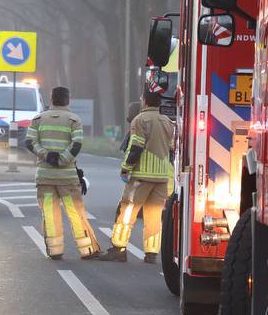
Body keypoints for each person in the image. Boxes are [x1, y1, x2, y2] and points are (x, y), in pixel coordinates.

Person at [26, 86, 100, 260]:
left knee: (50, 215)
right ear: (68, 100)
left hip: (45, 177)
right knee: (76, 213)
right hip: (67, 177)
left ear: (51, 99)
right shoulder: (74, 120)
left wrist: (46, 155)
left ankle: (55, 250)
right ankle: (87, 250)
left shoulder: (38, 119)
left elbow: (29, 142)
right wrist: (63, 160)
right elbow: (77, 144)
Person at [102, 89, 176, 263]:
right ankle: (151, 253)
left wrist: (126, 168)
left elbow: (136, 146)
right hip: (161, 177)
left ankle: (118, 248)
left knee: (127, 212)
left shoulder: (140, 120)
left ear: (144, 101)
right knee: (154, 215)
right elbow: (172, 149)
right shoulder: (168, 122)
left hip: (141, 176)